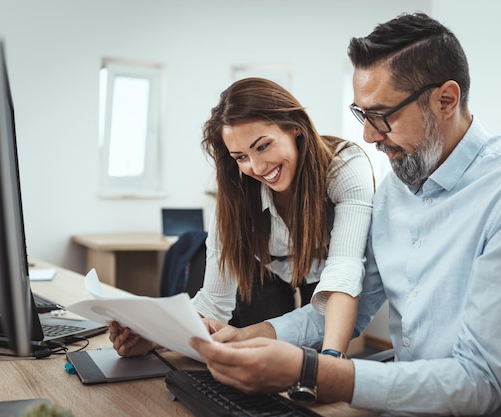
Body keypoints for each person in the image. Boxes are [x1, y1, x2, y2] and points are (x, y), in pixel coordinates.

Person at [188, 12, 501, 417]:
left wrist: (313, 371)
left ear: (445, 100)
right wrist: (249, 338)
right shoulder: (395, 191)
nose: (368, 136)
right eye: (362, 115)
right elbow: (350, 308)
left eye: (381, 115)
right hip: (417, 403)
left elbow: (478, 383)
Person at [110, 77, 375, 359]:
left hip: (328, 270)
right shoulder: (236, 189)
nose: (258, 167)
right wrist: (155, 337)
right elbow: (214, 301)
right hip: (265, 271)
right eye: (241, 157)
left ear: (295, 127)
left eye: (263, 146)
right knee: (264, 355)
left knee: (316, 351)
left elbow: (343, 273)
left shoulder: (344, 167)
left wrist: (331, 359)